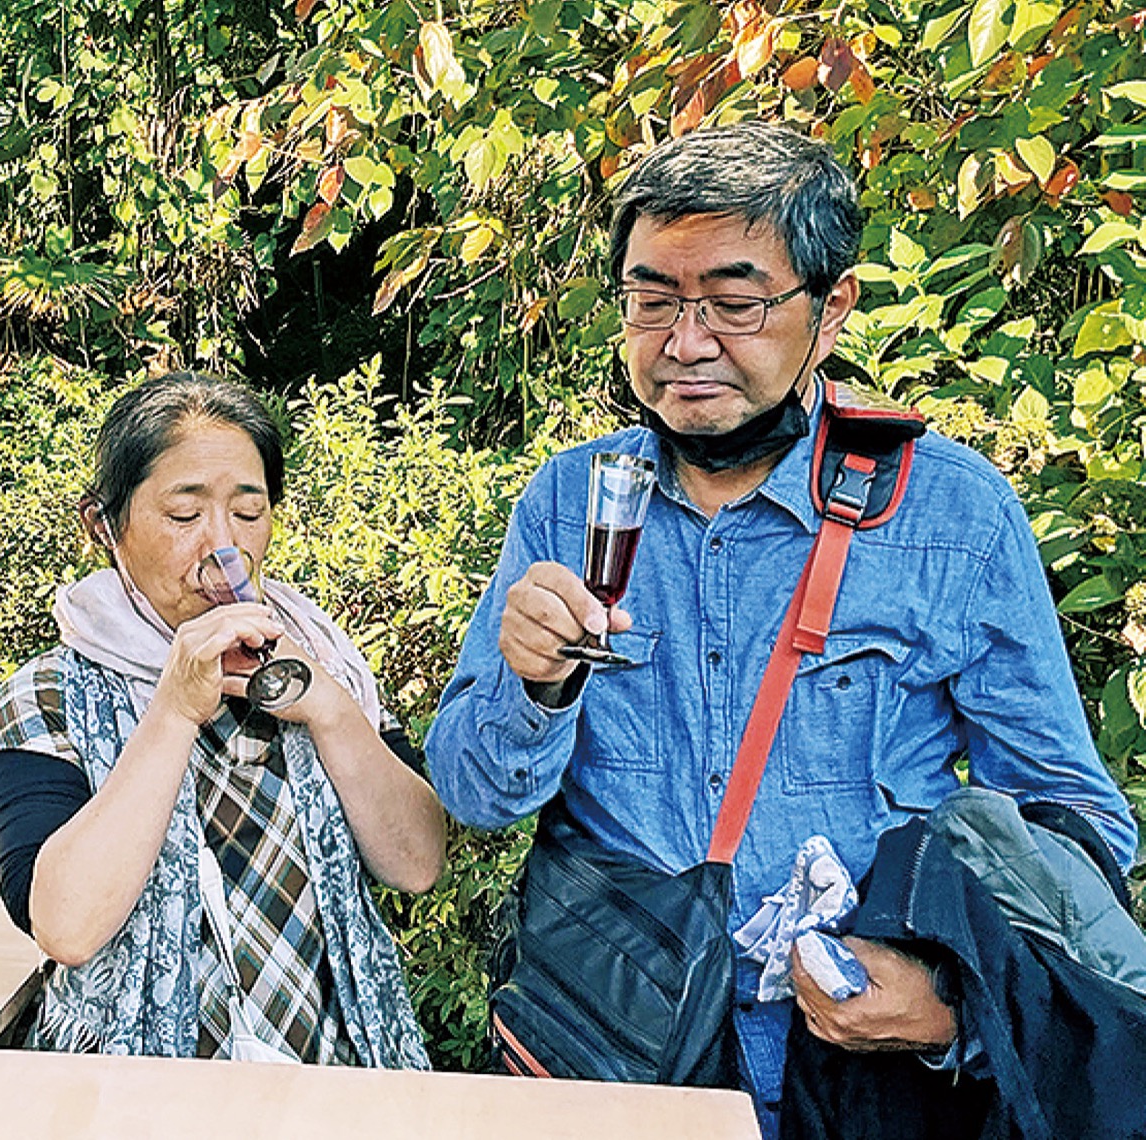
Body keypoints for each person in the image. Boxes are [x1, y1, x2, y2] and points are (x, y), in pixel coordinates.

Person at [423, 122, 1139, 1134]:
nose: (685, 343)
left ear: (830, 307)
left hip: (867, 1076)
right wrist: (533, 684)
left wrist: (948, 1007)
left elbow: (1076, 820)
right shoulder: (569, 500)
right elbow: (473, 793)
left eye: (734, 302)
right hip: (613, 1057)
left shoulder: (952, 515)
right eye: (651, 301)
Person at [0, 371, 445, 1066]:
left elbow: (416, 863)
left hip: (332, 1081)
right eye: (185, 515)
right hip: (131, 1097)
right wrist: (171, 714)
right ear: (104, 525)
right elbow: (65, 927)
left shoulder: (325, 662)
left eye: (248, 513)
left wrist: (330, 711)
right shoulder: (45, 699)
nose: (224, 545)